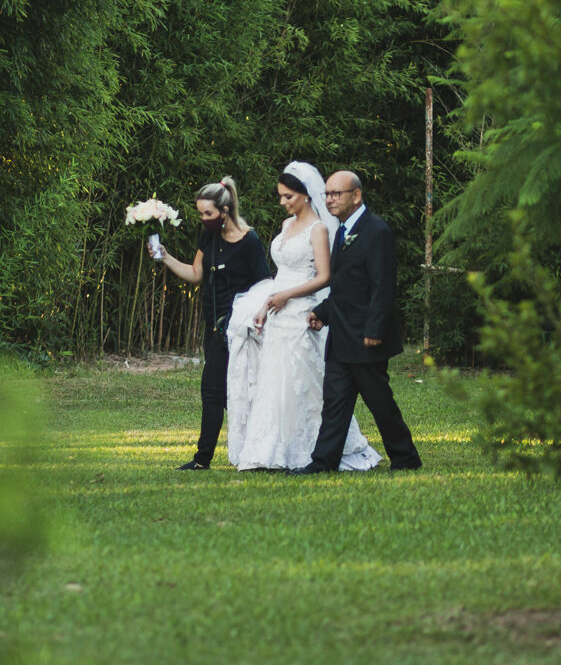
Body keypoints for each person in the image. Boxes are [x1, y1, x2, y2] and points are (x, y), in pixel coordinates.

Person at [224, 162, 380, 471]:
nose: (283, 202)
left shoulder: (319, 229)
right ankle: (270, 450)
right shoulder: (285, 226)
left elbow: (324, 277)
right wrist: (265, 305)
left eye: (289, 196)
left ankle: (314, 448)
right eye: (281, 196)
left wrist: (287, 296)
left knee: (303, 382)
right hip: (278, 311)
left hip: (300, 312)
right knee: (274, 381)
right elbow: (281, 273)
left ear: (307, 196)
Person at [292, 170, 422, 473]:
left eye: (336, 193)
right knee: (335, 404)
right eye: (327, 193)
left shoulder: (376, 230)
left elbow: (383, 285)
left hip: (365, 338)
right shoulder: (341, 230)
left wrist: (374, 330)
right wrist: (322, 313)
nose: (330, 199)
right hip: (341, 336)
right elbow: (347, 285)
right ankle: (323, 463)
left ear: (356, 195)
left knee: (380, 403)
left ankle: (405, 458)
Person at [152, 176, 267, 470]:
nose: (204, 219)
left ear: (225, 211)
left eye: (208, 214)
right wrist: (165, 257)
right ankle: (205, 459)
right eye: (201, 213)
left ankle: (236, 453)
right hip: (213, 326)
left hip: (240, 329)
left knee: (234, 391)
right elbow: (196, 274)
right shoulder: (210, 237)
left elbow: (265, 285)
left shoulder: (250, 242)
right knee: (215, 392)